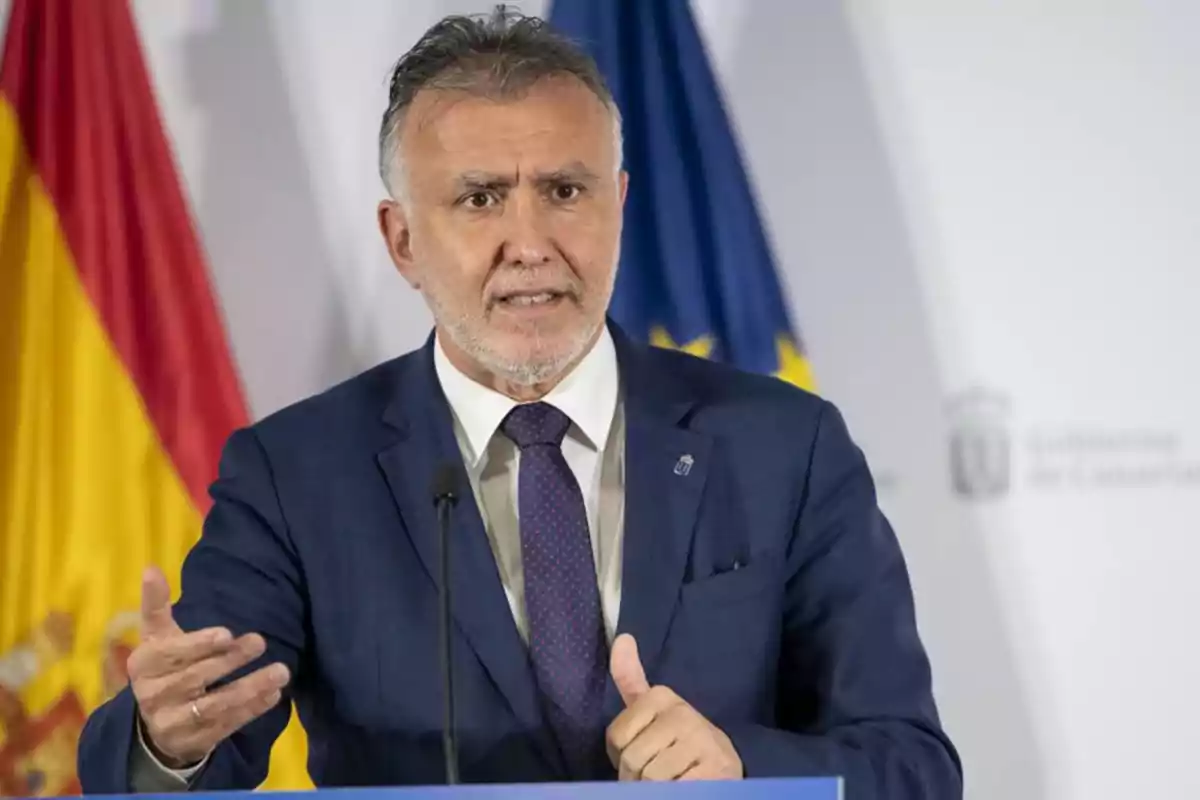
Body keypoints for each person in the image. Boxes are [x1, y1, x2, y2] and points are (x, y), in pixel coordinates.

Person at [77, 9, 961, 797]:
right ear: (403, 240)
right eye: (480, 199)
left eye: (565, 192)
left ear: (618, 205)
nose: (529, 243)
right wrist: (167, 741)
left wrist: (741, 769)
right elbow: (183, 751)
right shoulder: (296, 475)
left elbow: (912, 768)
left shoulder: (785, 445)